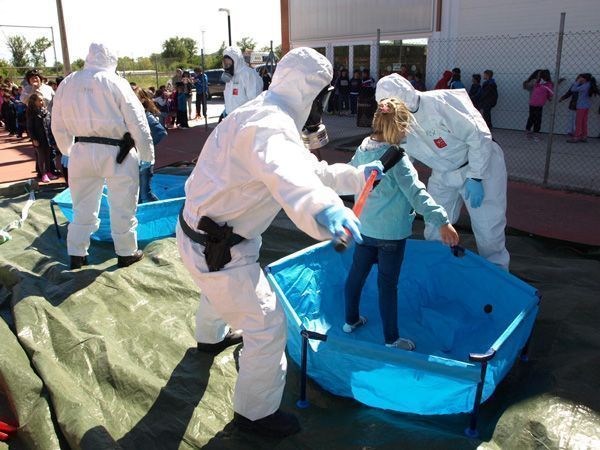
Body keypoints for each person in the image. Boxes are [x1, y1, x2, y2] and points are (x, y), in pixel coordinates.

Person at [176, 47, 383, 437]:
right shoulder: (272, 126)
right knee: (267, 324)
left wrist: (357, 177)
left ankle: (209, 338)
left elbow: (308, 170)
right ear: (312, 93)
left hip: (201, 236)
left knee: (218, 290)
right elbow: (295, 178)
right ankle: (255, 414)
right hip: (219, 250)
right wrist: (324, 210)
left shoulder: (262, 112)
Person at [344, 98, 459, 351]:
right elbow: (417, 194)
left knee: (356, 276)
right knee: (387, 285)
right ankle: (391, 339)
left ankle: (350, 320)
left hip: (365, 229)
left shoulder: (361, 150)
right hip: (390, 236)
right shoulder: (398, 160)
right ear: (400, 127)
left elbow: (349, 179)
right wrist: (441, 220)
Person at [376, 74, 510, 270]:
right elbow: (401, 153)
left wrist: (476, 175)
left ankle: (498, 276)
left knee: (488, 228)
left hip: (479, 166)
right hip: (442, 171)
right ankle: (437, 267)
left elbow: (479, 136)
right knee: (436, 223)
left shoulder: (441, 104)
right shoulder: (397, 119)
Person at [51, 43, 154, 270]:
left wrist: (67, 149)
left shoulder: (68, 82)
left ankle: (77, 253)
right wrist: (147, 155)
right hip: (117, 152)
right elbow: (138, 122)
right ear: (111, 59)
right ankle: (126, 252)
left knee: (82, 206)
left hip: (81, 151)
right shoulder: (116, 82)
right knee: (123, 204)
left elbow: (56, 123)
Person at [136, 88, 167, 203]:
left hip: (145, 160)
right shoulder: (133, 115)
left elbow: (160, 132)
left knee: (145, 193)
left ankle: (162, 212)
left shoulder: (146, 116)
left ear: (143, 100)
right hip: (137, 159)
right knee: (137, 192)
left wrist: (148, 144)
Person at [221, 46, 262, 118]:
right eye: (225, 62)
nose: (227, 65)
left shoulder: (248, 74)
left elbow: (255, 100)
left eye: (229, 62)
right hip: (230, 119)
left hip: (243, 119)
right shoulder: (230, 77)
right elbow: (231, 98)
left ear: (236, 59)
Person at [26, 93, 56, 182]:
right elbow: (30, 128)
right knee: (41, 157)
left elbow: (50, 125)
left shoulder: (46, 112)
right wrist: (34, 139)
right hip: (38, 139)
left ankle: (48, 172)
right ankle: (43, 174)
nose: (42, 102)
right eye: (39, 100)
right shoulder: (31, 113)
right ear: (33, 102)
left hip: (47, 138)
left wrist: (52, 138)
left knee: (48, 156)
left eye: (42, 100)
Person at [523, 69, 554, 142]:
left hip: (535, 103)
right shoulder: (535, 82)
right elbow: (527, 86)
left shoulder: (541, 83)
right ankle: (533, 133)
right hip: (535, 103)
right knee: (535, 118)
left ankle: (530, 132)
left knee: (533, 117)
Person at [567, 73, 598, 143]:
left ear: (584, 79)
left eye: (581, 78)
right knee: (584, 122)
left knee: (578, 122)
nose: (579, 79)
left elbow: (573, 89)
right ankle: (584, 136)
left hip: (581, 106)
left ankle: (576, 137)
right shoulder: (589, 84)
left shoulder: (584, 86)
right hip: (586, 106)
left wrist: (577, 81)